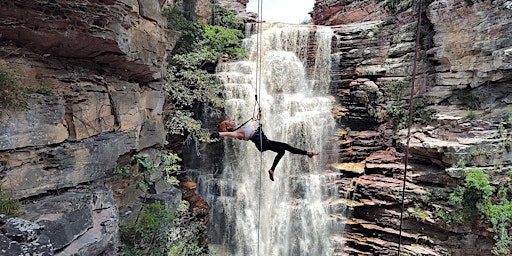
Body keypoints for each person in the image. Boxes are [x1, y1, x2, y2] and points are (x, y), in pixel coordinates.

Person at [210, 120, 319, 181]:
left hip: (264, 141)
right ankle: (308, 153)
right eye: (229, 122)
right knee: (285, 147)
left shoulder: (239, 128)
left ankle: (272, 170)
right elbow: (228, 134)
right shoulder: (236, 133)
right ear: (228, 127)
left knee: (282, 151)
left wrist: (258, 129)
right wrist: (218, 134)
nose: (231, 121)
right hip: (262, 143)